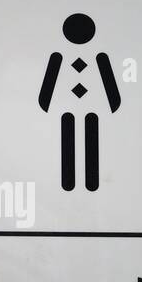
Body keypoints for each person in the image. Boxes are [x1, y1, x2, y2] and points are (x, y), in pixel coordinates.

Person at [38, 13, 121, 192]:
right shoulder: (59, 56)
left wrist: (113, 101)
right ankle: (70, 182)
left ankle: (90, 183)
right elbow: (49, 81)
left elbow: (109, 81)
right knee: (69, 143)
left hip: (91, 109)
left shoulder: (98, 56)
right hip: (69, 110)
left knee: (90, 143)